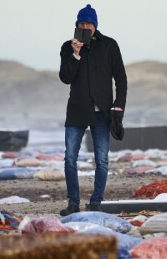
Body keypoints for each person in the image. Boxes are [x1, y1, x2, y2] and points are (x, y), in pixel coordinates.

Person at [58, 4, 127, 215]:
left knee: (102, 160)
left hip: (102, 112)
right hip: (77, 109)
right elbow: (65, 77)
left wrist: (118, 107)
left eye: (88, 23)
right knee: (70, 158)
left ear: (95, 25)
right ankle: (73, 203)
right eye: (81, 23)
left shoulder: (109, 45)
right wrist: (76, 54)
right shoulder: (68, 47)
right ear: (77, 25)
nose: (85, 26)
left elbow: (121, 79)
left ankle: (97, 202)